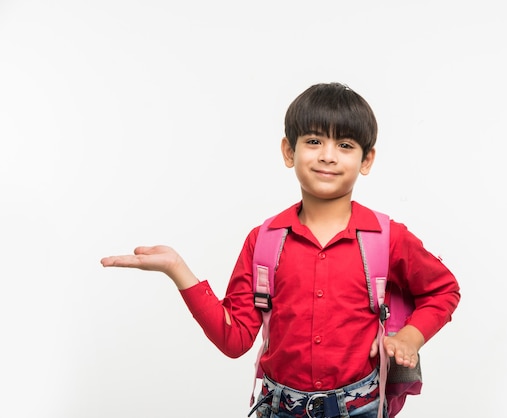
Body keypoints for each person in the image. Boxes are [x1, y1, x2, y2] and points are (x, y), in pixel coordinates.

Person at [101, 82, 461, 418]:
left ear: (366, 160)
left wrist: (410, 337)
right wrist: (177, 269)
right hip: (277, 408)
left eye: (346, 145)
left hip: (362, 408)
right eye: (314, 141)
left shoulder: (388, 237)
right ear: (289, 151)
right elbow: (235, 338)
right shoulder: (264, 240)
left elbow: (444, 290)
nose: (329, 156)